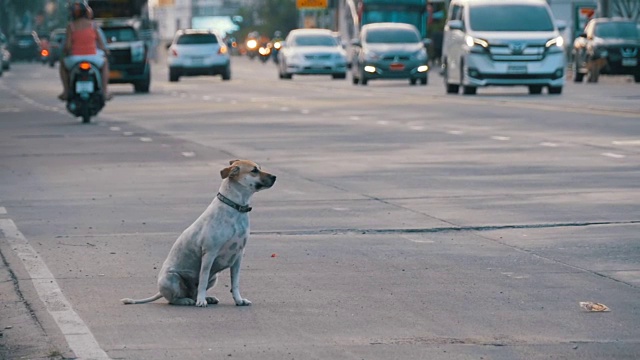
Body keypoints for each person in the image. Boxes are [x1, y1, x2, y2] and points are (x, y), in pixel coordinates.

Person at [58, 1, 112, 101]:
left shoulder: (71, 26)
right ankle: (104, 92)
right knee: (105, 64)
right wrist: (106, 51)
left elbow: (68, 45)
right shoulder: (93, 25)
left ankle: (65, 91)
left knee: (62, 65)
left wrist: (65, 52)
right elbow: (101, 43)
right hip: (93, 57)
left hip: (75, 59)